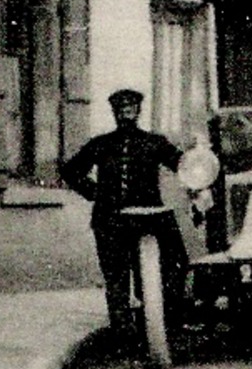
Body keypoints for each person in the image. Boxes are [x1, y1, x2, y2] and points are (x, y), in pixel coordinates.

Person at [60, 89, 187, 342]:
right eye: (121, 109)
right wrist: (95, 193)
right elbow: (70, 171)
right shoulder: (101, 144)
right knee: (116, 279)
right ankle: (122, 338)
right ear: (114, 113)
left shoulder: (154, 142)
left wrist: (196, 167)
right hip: (111, 220)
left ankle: (165, 327)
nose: (125, 113)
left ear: (138, 111)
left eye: (130, 109)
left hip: (150, 217)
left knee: (173, 263)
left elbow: (183, 165)